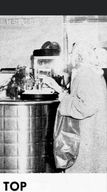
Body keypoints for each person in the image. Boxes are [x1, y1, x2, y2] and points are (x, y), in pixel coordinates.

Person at [43, 41, 107, 173]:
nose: (70, 56)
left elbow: (86, 106)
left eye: (72, 53)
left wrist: (62, 96)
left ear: (78, 56)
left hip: (85, 136)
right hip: (93, 132)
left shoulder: (85, 74)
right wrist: (60, 90)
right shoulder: (93, 73)